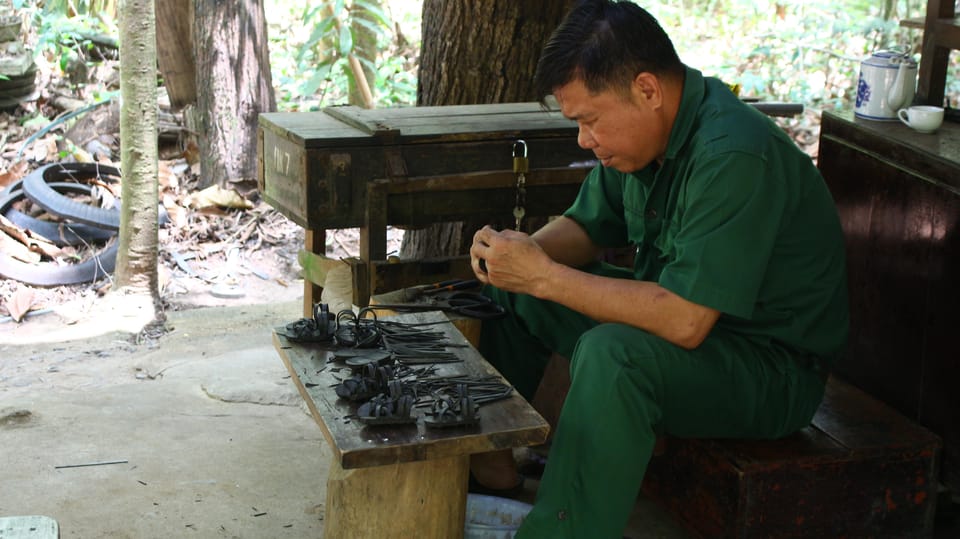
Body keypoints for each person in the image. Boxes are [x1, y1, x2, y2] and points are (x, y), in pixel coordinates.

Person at [468, 1, 849, 537]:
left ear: (646, 90)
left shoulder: (733, 153)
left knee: (612, 357)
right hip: (693, 329)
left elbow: (685, 321)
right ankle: (493, 469)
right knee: (517, 288)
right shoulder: (645, 140)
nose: (583, 138)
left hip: (767, 368)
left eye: (589, 120)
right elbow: (586, 227)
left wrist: (544, 275)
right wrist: (518, 256)